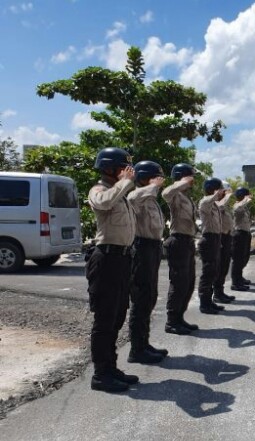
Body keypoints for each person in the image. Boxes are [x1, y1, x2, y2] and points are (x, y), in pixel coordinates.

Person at [86, 147, 138, 392]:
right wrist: (125, 182)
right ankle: (100, 375)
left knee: (117, 316)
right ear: (108, 168)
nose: (128, 172)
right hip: (105, 259)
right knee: (105, 318)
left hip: (122, 260)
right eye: (123, 167)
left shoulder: (121, 194)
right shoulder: (99, 190)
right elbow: (104, 203)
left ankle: (111, 367)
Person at [126, 160, 167, 365]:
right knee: (141, 298)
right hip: (141, 248)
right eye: (154, 177)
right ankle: (136, 350)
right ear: (143, 178)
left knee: (150, 296)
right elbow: (132, 198)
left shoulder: (151, 198)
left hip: (153, 248)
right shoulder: (137, 195)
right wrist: (153, 186)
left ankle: (144, 343)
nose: (159, 181)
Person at [162, 163, 199, 335]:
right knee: (178, 283)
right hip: (177, 241)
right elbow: (165, 193)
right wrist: (182, 182)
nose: (193, 181)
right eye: (190, 177)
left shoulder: (186, 197)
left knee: (188, 283)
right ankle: (171, 322)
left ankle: (179, 318)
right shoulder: (175, 194)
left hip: (188, 242)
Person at [197, 178, 227, 314]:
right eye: (220, 189)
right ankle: (204, 304)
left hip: (215, 239)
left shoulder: (214, 205)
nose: (222, 192)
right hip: (208, 239)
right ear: (213, 189)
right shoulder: (204, 202)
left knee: (214, 272)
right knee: (208, 273)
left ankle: (209, 301)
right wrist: (217, 193)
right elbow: (207, 201)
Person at [213, 184, 236, 304]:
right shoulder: (214, 203)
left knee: (225, 266)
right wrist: (227, 195)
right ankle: (216, 294)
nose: (226, 194)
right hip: (220, 237)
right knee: (219, 266)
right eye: (224, 191)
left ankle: (220, 292)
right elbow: (219, 205)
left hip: (227, 237)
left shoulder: (225, 205)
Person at [231, 187, 253, 291]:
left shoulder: (244, 207)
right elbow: (238, 208)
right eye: (247, 195)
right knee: (238, 260)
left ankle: (239, 277)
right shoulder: (237, 205)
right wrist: (247, 199)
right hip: (239, 234)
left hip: (245, 234)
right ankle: (235, 283)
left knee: (244, 257)